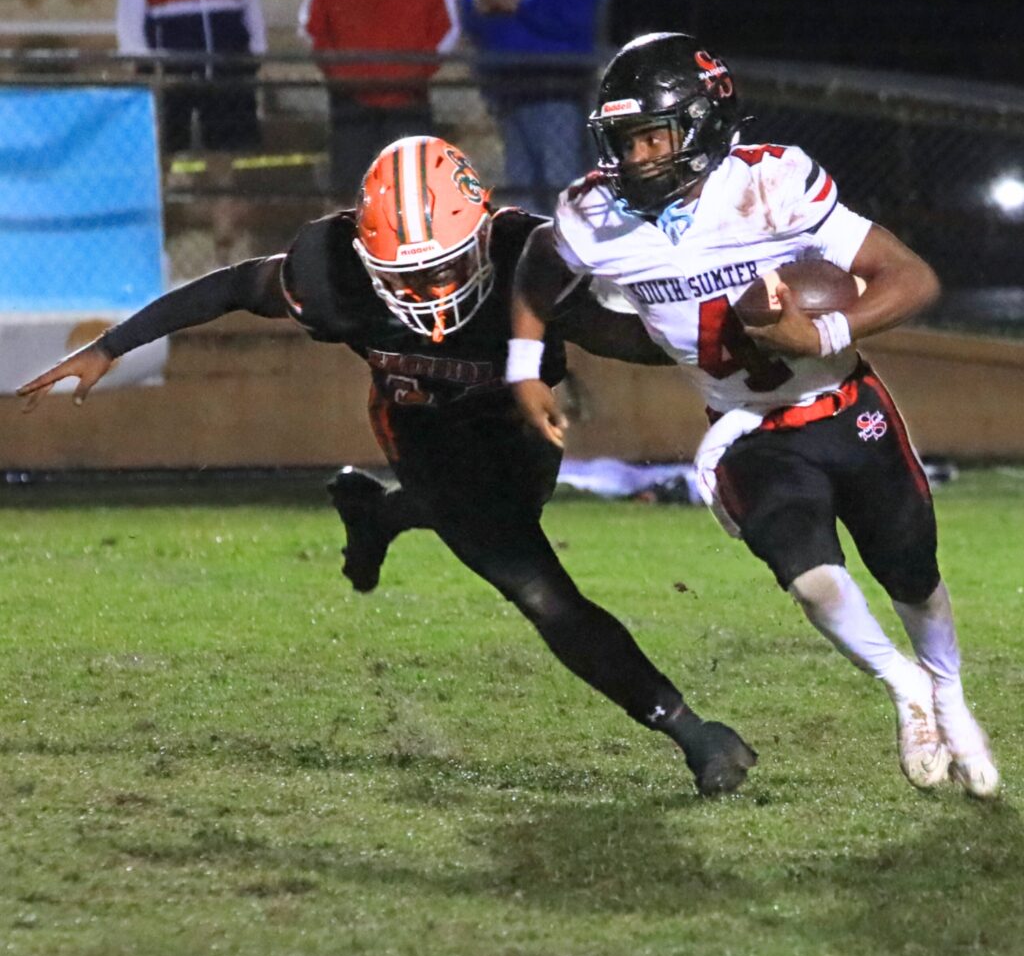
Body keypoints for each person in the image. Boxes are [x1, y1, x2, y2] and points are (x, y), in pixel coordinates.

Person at [18, 135, 757, 798]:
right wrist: (112, 346)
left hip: (514, 422)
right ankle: (690, 732)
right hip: (419, 426)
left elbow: (617, 335)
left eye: (441, 270)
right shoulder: (331, 270)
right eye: (404, 277)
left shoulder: (523, 257)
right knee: (533, 582)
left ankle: (377, 513)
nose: (427, 292)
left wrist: (740, 340)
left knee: (511, 514)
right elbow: (232, 286)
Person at [508, 32, 1000, 798]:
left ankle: (949, 690)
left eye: (651, 138)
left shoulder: (774, 183)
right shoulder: (592, 214)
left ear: (703, 124)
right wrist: (523, 368)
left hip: (844, 403)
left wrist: (827, 330)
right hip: (746, 429)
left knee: (914, 577)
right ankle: (906, 688)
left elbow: (909, 275)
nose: (635, 159)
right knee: (811, 582)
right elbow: (538, 268)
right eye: (623, 141)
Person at [299, 0, 460, 202]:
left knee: (413, 194)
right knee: (348, 196)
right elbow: (312, 27)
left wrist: (414, 74)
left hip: (408, 99)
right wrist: (341, 75)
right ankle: (347, 243)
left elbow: (446, 27)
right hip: (351, 100)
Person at [462, 0, 600, 214]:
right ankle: (530, 251)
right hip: (508, 88)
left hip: (557, 87)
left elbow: (576, 17)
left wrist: (521, 4)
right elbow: (469, 3)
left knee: (560, 184)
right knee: (520, 186)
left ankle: (567, 253)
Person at [117, 0, 267, 154]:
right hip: (170, 57)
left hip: (227, 54)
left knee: (227, 147)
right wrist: (137, 55)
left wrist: (257, 47)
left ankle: (221, 187)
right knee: (167, 142)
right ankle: (169, 185)